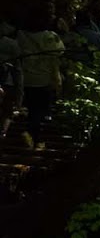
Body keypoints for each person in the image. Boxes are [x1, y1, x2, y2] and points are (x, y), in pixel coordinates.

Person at [17, 8, 65, 143]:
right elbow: (58, 53)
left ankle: (29, 134)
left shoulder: (20, 35)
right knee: (38, 110)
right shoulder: (50, 37)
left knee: (31, 108)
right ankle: (34, 136)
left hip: (25, 79)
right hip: (44, 80)